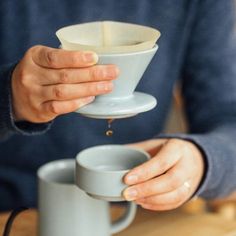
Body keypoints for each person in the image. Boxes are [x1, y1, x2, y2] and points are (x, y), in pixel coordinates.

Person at [0, 0, 236, 212]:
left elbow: (226, 116)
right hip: (12, 211)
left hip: (140, 212)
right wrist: (9, 96)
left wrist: (203, 159)